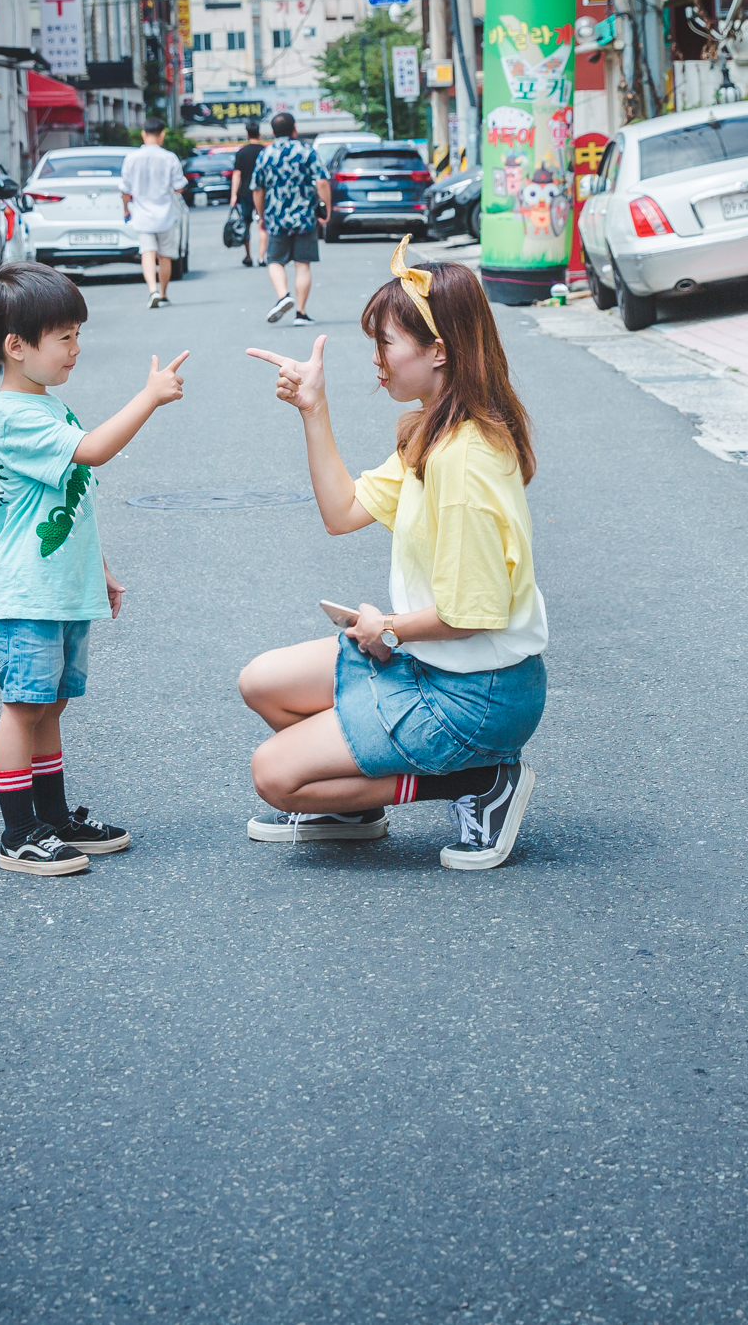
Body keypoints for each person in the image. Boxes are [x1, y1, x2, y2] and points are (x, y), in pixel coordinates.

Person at [236, 245, 546, 870]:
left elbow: (474, 611)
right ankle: (351, 806)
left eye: (387, 343)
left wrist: (389, 629)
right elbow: (341, 512)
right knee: (262, 683)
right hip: (435, 662)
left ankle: (477, 783)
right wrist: (313, 408)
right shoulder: (432, 430)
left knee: (274, 775)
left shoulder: (464, 458)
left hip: (477, 693)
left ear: (440, 351)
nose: (376, 359)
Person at [0, 262, 191, 876]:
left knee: (51, 707)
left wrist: (99, 568)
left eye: (76, 335)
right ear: (17, 347)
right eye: (64, 337)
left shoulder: (49, 407)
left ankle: (55, 818)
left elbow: (68, 500)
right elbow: (93, 451)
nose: (76, 349)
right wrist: (148, 398)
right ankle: (19, 834)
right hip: (28, 595)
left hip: (62, 590)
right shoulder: (14, 416)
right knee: (24, 708)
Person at [251, 111, 330, 324]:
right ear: (294, 129)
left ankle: (283, 296)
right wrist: (326, 210)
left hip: (276, 217)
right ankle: (301, 313)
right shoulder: (306, 151)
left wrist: (261, 215)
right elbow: (322, 182)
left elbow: (257, 189)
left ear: (273, 132)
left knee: (275, 260)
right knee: (302, 264)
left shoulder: (265, 154)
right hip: (305, 217)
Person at [121, 120, 188, 307]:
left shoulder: (131, 158)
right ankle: (164, 293)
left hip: (142, 215)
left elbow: (124, 190)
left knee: (147, 254)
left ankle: (152, 290)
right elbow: (179, 187)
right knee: (164, 256)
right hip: (165, 214)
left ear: (143, 134)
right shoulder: (170, 158)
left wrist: (126, 209)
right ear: (162, 134)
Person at [227, 120, 266, 267]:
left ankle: (248, 255)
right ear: (260, 134)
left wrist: (234, 195)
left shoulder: (242, 153)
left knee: (246, 225)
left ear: (247, 134)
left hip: (245, 193)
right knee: (262, 224)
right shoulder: (264, 151)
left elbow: (237, 175)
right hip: (262, 192)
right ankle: (262, 257)